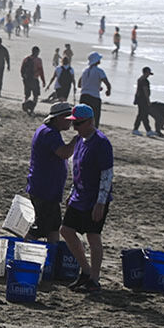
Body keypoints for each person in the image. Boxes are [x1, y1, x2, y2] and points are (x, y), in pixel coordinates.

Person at [59, 104, 113, 293]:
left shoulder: (102, 143)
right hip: (79, 195)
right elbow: (78, 169)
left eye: (79, 123)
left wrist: (100, 202)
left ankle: (94, 280)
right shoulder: (80, 140)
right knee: (66, 230)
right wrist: (72, 192)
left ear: (90, 122)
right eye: (74, 123)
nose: (75, 127)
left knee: (93, 236)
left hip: (95, 198)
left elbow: (107, 174)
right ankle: (86, 270)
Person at [25, 103, 76, 242]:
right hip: (44, 188)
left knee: (53, 226)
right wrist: (75, 141)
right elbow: (64, 153)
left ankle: (52, 252)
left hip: (48, 188)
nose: (71, 122)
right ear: (58, 118)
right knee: (41, 227)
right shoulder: (49, 133)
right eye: (68, 119)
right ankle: (23, 248)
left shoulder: (50, 131)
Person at [77, 52, 111, 128]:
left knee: (83, 117)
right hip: (94, 97)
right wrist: (108, 91)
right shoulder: (99, 71)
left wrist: (92, 86)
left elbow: (79, 84)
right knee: (95, 117)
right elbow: (107, 83)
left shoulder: (85, 71)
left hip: (83, 96)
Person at [132, 66, 155, 136]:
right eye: (148, 73)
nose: (149, 75)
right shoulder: (145, 81)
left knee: (144, 115)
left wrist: (135, 98)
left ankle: (148, 130)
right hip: (143, 100)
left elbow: (137, 90)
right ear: (145, 72)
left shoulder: (140, 79)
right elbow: (145, 92)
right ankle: (136, 129)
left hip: (139, 99)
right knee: (142, 115)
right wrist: (148, 101)